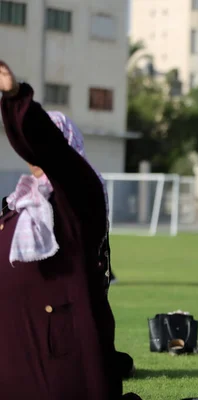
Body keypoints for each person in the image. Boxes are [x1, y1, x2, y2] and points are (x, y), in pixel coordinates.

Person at [0, 61, 135, 399]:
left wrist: (16, 98)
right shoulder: (20, 201)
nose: (34, 157)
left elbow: (53, 151)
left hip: (57, 351)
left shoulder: (80, 197)